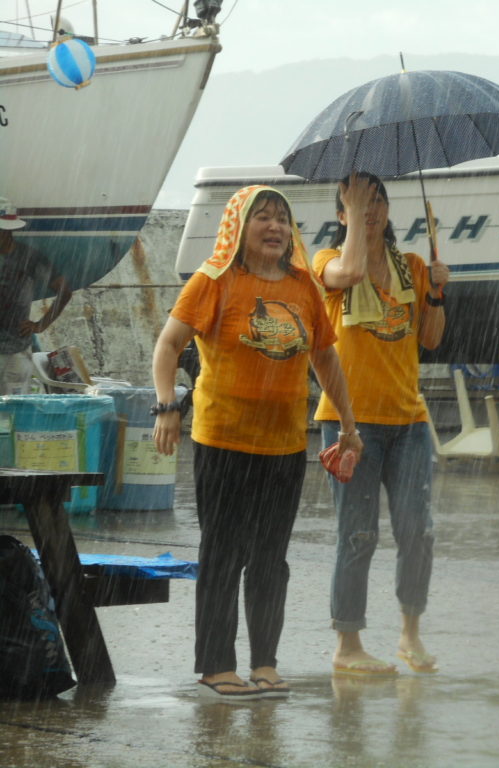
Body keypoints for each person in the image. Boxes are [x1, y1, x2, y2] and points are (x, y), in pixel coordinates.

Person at [152, 185, 362, 700]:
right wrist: (167, 406)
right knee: (223, 554)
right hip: (223, 440)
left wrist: (349, 426)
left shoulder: (303, 285)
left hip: (284, 445)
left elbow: (325, 358)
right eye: (262, 217)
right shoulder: (214, 280)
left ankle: (265, 662)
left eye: (282, 219)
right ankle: (216, 665)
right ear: (238, 227)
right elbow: (169, 345)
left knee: (271, 559)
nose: (275, 227)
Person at [314, 172, 449, 678]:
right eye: (356, 202)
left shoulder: (411, 267)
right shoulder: (327, 261)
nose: (370, 209)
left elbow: (430, 339)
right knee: (358, 534)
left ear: (389, 209)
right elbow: (349, 273)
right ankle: (347, 644)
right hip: (349, 422)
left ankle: (410, 635)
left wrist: (436, 291)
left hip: (408, 420)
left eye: (377, 200)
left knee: (419, 531)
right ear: (341, 213)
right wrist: (355, 217)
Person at [0, 196, 72, 394]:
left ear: (8, 231)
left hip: (14, 352)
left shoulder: (29, 257)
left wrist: (41, 325)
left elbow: (64, 291)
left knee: (14, 406)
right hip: (15, 351)